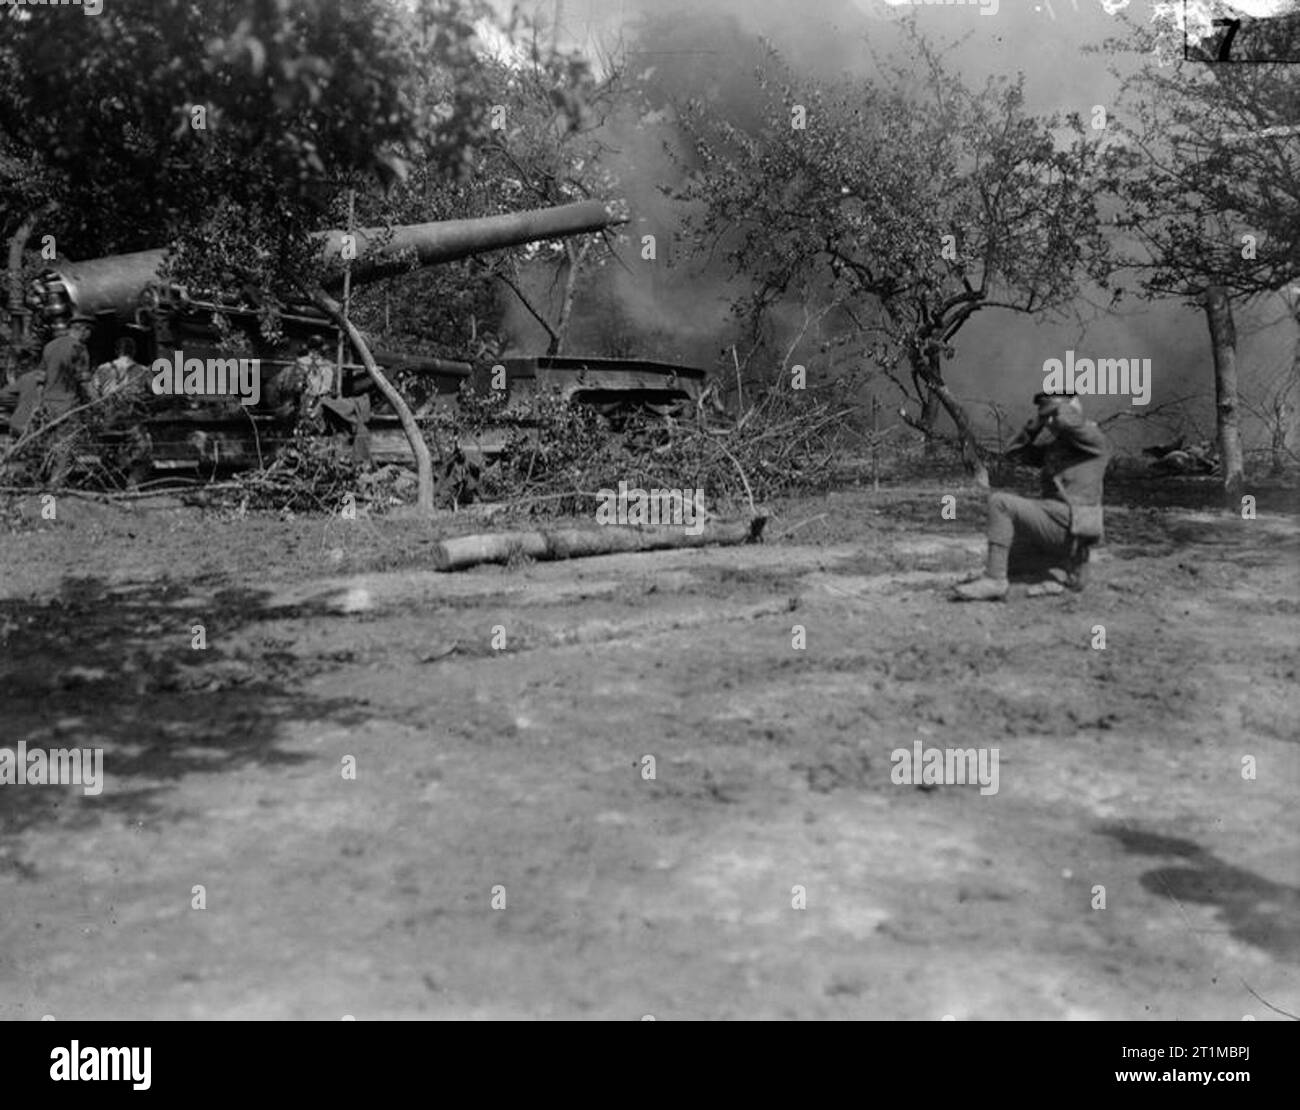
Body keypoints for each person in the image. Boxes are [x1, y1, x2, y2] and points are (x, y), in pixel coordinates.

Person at [953, 391, 1110, 601]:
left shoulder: (1096, 442)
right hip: (1057, 530)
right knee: (1012, 563)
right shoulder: (1056, 448)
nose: (1052, 422)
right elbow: (1013, 453)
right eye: (1048, 417)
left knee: (1000, 503)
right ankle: (1061, 573)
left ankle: (995, 580)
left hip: (1070, 524)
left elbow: (1070, 422)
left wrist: (1063, 408)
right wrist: (1036, 424)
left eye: (1054, 415)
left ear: (1071, 411)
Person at [90, 336, 149, 403]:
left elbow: (93, 391)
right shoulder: (143, 371)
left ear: (116, 351)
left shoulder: (102, 368)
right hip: (134, 409)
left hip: (108, 409)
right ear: (134, 351)